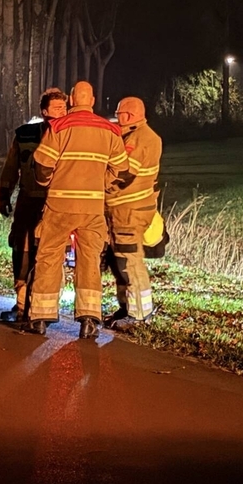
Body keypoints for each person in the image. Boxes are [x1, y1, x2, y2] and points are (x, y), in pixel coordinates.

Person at [21, 81, 129, 339]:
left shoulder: (58, 127)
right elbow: (122, 170)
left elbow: (43, 164)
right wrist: (101, 184)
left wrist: (48, 183)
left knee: (48, 258)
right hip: (92, 207)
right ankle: (89, 319)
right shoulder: (110, 130)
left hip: (59, 205)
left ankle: (40, 318)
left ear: (71, 99)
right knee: (90, 261)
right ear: (92, 100)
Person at [0, 88, 69, 322]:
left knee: (49, 253)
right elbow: (11, 167)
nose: (61, 112)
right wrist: (4, 194)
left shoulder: (71, 135)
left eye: (64, 108)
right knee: (22, 250)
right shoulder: (25, 134)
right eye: (56, 108)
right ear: (44, 111)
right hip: (29, 199)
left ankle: (42, 305)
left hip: (56, 202)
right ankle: (21, 305)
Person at [103, 97, 163, 330]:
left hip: (130, 211)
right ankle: (126, 307)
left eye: (119, 114)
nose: (117, 118)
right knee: (120, 261)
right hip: (124, 210)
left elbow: (124, 173)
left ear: (128, 116)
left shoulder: (141, 138)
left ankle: (139, 314)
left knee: (130, 261)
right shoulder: (132, 135)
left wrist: (99, 183)